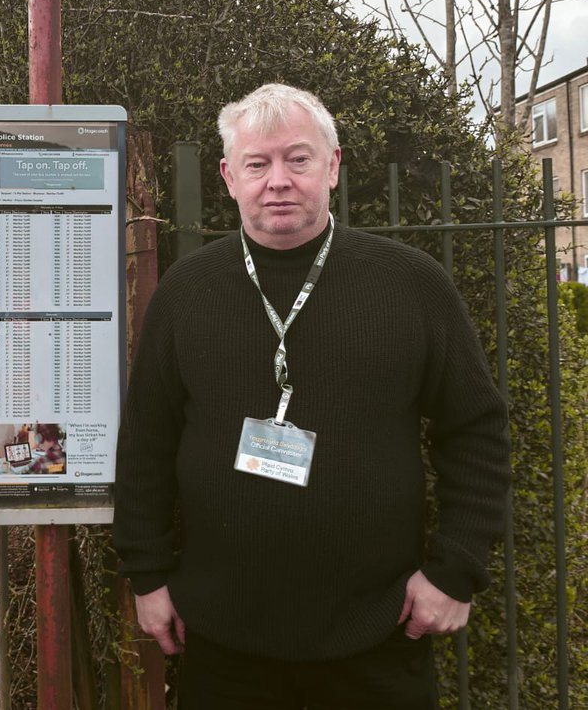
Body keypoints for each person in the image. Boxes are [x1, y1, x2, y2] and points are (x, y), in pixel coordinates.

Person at [114, 83, 510, 709]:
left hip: (380, 635)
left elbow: (477, 431)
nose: (278, 180)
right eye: (257, 163)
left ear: (332, 165)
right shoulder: (187, 292)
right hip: (221, 640)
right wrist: (148, 574)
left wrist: (454, 571)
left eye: (298, 159)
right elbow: (145, 441)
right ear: (228, 176)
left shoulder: (410, 285)